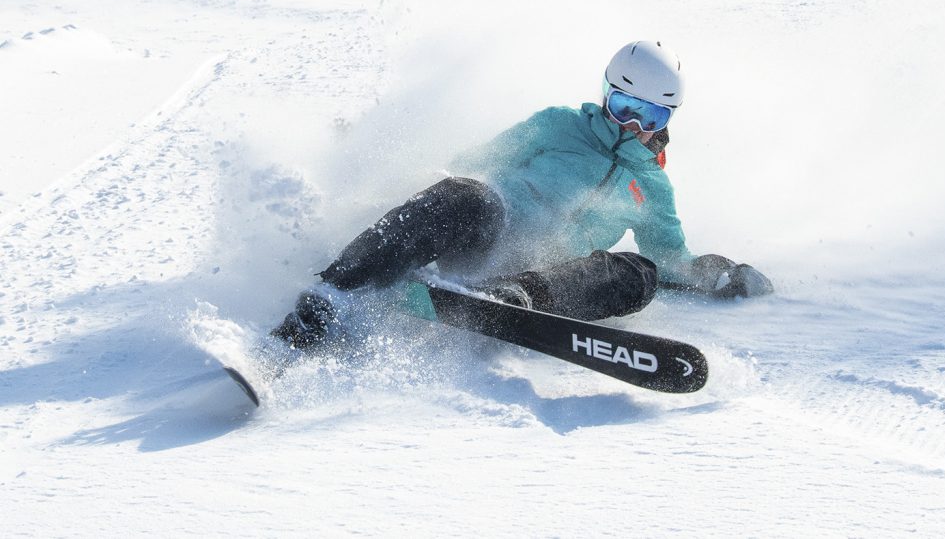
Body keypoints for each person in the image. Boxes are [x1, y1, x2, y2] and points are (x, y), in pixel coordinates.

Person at [272, 40, 772, 347]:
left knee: (639, 272)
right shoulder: (558, 126)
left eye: (652, 117)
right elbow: (473, 164)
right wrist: (386, 181)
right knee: (472, 196)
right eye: (623, 105)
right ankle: (327, 298)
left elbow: (673, 258)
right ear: (605, 93)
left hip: (540, 280)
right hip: (485, 238)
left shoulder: (653, 188)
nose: (634, 125)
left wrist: (725, 275)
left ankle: (505, 302)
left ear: (667, 121)